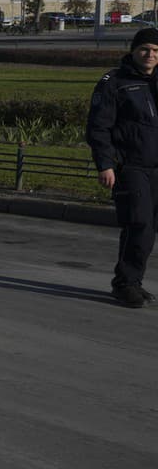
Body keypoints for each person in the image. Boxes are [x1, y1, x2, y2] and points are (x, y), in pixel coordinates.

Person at [86, 27, 158, 308]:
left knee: (149, 228)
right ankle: (125, 283)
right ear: (133, 50)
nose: (150, 55)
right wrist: (105, 164)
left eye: (155, 51)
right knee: (138, 223)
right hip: (130, 166)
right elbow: (99, 127)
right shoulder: (114, 82)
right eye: (144, 49)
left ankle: (134, 281)